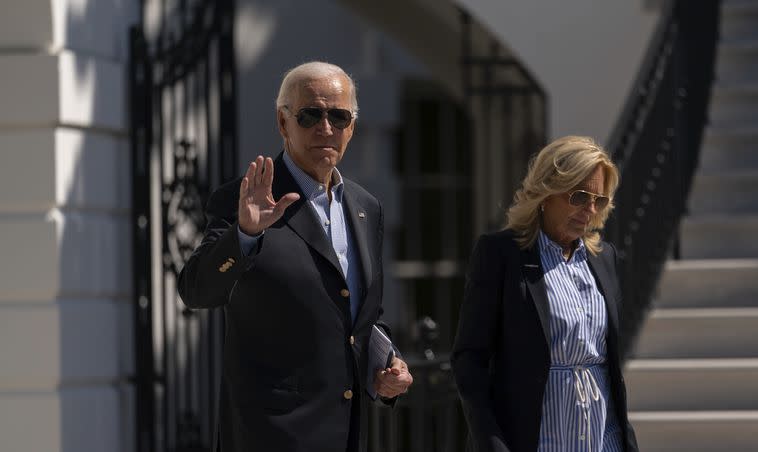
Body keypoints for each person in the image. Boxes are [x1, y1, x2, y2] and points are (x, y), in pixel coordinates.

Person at [178, 61, 413, 452]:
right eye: (310, 115)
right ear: (283, 123)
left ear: (351, 128)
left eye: (339, 116)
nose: (326, 128)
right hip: (270, 435)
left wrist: (387, 362)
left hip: (346, 434)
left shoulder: (365, 207)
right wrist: (245, 234)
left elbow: (356, 311)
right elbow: (196, 291)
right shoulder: (244, 199)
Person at [451, 136, 639, 452]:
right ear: (546, 193)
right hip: (536, 441)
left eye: (599, 200)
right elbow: (469, 360)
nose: (590, 210)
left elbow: (610, 367)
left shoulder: (605, 259)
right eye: (579, 197)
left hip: (602, 440)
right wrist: (492, 444)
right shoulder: (501, 255)